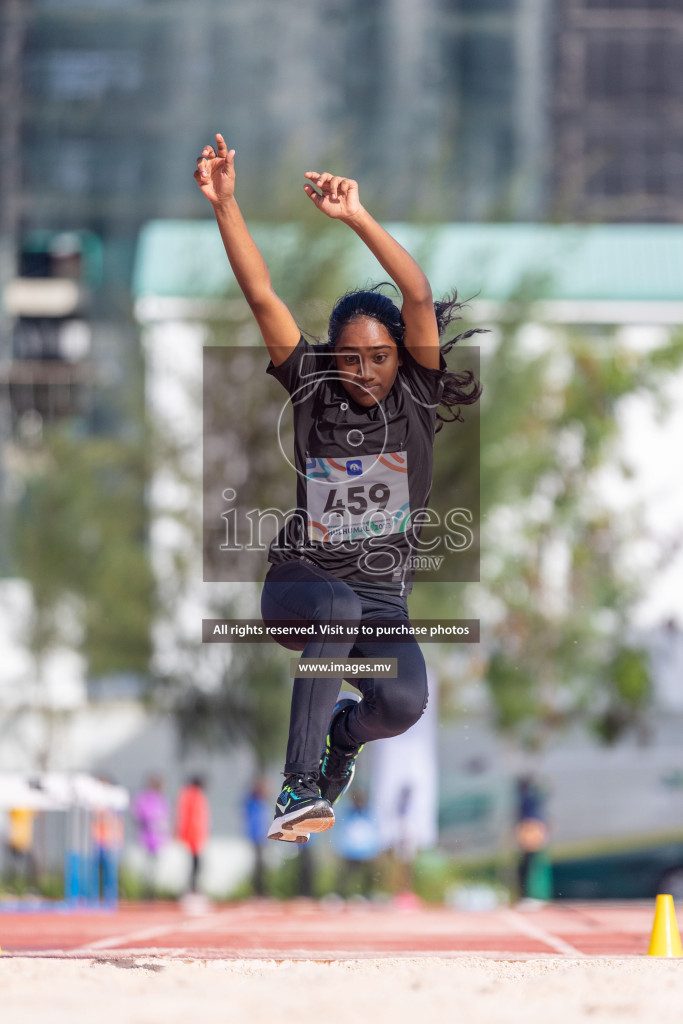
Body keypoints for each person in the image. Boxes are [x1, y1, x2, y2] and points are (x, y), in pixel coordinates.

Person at [195, 135, 482, 844]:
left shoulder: (414, 392)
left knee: (404, 700)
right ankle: (297, 784)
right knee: (337, 604)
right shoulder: (311, 383)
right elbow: (261, 292)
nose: (363, 371)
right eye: (349, 357)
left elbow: (413, 293)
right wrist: (227, 206)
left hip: (379, 607)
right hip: (301, 589)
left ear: (400, 355)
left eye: (378, 357)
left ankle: (340, 741)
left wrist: (357, 217)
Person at [131, 774, 170, 898]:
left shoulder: (161, 800)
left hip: (158, 839)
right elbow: (139, 815)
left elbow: (165, 818)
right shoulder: (144, 799)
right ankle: (146, 892)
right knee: (147, 867)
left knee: (154, 868)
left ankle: (152, 891)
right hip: (147, 838)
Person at [176, 775, 210, 894]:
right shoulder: (191, 795)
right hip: (193, 836)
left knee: (196, 865)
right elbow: (188, 817)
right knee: (194, 865)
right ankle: (192, 889)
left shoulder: (195, 795)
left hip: (197, 836)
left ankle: (194, 888)